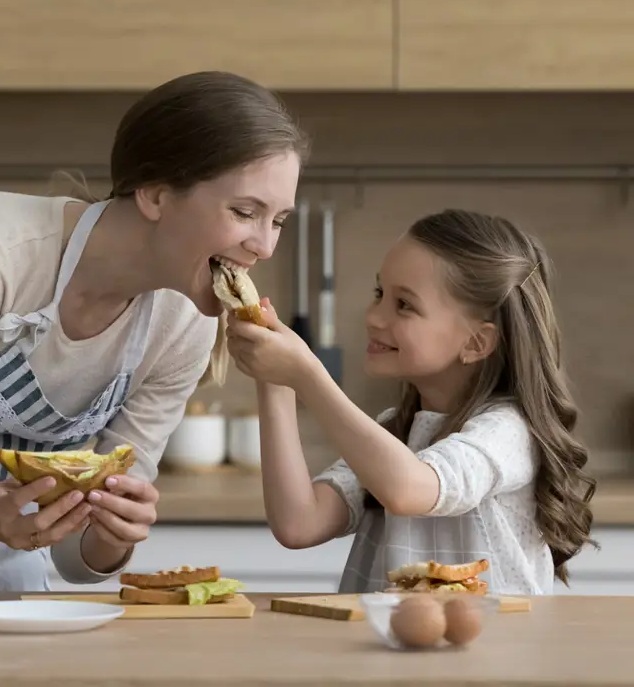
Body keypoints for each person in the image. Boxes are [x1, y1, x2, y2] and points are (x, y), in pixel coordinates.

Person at [0, 70, 308, 592]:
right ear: (154, 194)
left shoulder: (185, 326)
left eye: (279, 221)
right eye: (245, 212)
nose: (264, 247)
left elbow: (76, 563)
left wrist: (116, 533)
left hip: (3, 569)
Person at [225, 208, 595, 595]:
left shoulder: (507, 431)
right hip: (390, 652)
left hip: (490, 654)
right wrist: (275, 383)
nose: (373, 316)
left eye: (404, 305)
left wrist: (307, 375)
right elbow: (299, 523)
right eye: (380, 294)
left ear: (475, 343)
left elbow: (408, 490)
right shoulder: (396, 433)